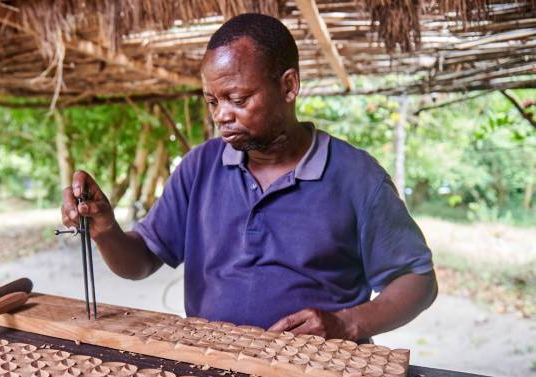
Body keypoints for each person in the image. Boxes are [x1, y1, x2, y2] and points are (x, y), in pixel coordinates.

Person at [61, 13, 437, 341]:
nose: (221, 115)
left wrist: (347, 323)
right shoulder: (200, 167)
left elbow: (417, 281)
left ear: (289, 86)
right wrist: (106, 230)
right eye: (212, 101)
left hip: (319, 372)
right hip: (211, 365)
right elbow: (140, 262)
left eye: (238, 99)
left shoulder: (357, 177)